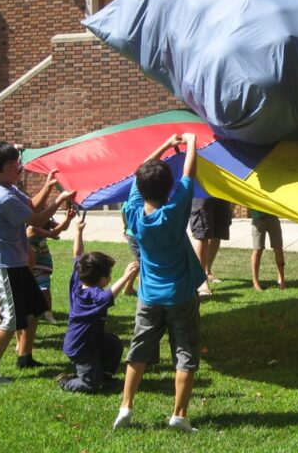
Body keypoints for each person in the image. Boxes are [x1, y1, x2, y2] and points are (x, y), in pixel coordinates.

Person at [113, 132, 206, 432]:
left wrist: (166, 145)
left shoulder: (133, 214)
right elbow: (189, 171)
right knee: (185, 352)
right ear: (169, 188)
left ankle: (126, 407)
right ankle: (179, 415)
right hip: (180, 294)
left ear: (139, 188)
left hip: (149, 295)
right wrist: (191, 143)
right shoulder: (175, 211)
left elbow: (141, 169)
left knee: (138, 349)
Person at [0, 141, 75, 382]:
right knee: (11, 319)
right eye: (12, 166)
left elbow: (31, 204)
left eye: (17, 164)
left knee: (33, 312)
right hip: (2, 264)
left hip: (16, 262)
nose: (17, 169)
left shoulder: (7, 187)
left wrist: (49, 186)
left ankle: (25, 357)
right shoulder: (1, 196)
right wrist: (60, 200)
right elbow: (35, 218)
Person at [58, 218, 138, 392]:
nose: (110, 276)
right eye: (109, 274)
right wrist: (125, 277)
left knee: (114, 344)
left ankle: (105, 375)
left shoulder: (78, 278)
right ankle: (66, 382)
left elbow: (77, 254)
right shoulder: (93, 297)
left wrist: (78, 231)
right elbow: (108, 295)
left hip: (94, 340)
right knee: (91, 385)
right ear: (102, 279)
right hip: (81, 348)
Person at [27, 203, 75, 323]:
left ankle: (48, 313)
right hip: (28, 263)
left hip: (42, 263)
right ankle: (31, 311)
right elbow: (54, 233)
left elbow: (62, 227)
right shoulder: (31, 228)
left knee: (44, 288)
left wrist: (67, 219)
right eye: (42, 211)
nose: (45, 214)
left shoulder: (45, 222)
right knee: (29, 289)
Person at [190, 197, 232, 296]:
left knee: (218, 233)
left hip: (221, 190)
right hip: (202, 192)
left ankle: (207, 271)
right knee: (202, 233)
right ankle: (200, 281)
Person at [249, 209, 286, 290]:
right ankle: (255, 282)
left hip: (273, 215)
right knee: (257, 250)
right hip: (258, 218)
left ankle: (282, 280)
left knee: (278, 247)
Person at [120, 201, 141, 296]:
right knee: (143, 263)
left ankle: (128, 288)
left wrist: (125, 226)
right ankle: (129, 288)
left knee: (141, 262)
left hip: (133, 234)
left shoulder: (129, 198)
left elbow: (123, 211)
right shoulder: (144, 197)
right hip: (136, 236)